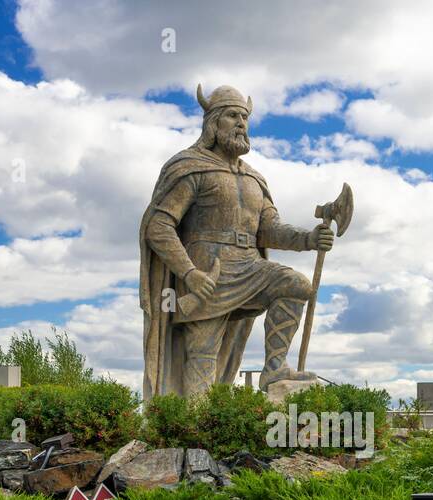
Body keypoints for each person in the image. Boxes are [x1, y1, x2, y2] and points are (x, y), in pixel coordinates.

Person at [139, 84, 334, 399]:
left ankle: (274, 368)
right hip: (207, 271)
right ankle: (194, 424)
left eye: (245, 116)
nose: (241, 123)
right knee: (203, 349)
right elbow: (159, 225)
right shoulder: (190, 168)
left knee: (296, 284)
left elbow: (269, 229)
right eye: (232, 115)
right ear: (213, 123)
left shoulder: (255, 179)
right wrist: (189, 273)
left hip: (249, 265)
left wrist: (309, 239)